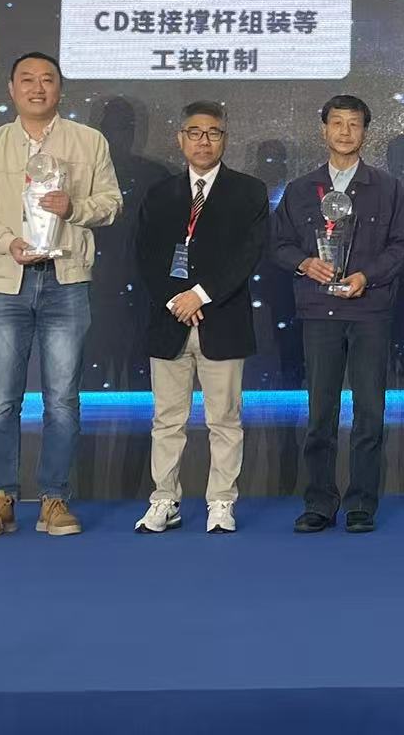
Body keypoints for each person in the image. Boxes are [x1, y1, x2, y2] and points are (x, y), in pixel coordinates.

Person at [0, 51, 121, 539]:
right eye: (26, 79)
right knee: (1, 402)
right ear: (11, 89)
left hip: (65, 281)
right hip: (6, 282)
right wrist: (8, 242)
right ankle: (0, 499)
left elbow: (111, 204)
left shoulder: (88, 141)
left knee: (62, 401)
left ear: (60, 89)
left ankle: (55, 499)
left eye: (47, 79)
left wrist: (75, 207)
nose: (37, 87)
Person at [271, 95, 404, 534]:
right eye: (337, 123)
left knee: (369, 413)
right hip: (319, 311)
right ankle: (319, 502)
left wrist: (367, 276)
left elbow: (403, 245)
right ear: (324, 130)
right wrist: (304, 263)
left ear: (365, 132)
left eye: (354, 124)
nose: (345, 132)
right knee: (320, 413)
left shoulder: (388, 188)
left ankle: (361, 504)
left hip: (369, 310)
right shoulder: (301, 189)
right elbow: (278, 244)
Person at [133, 102, 269, 535]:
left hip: (222, 320)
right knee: (167, 420)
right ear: (181, 139)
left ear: (224, 139)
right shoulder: (160, 193)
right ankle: (164, 500)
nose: (203, 141)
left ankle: (221, 502)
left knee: (224, 420)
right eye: (195, 132)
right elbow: (145, 254)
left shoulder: (248, 191)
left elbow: (247, 254)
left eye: (213, 133)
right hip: (169, 320)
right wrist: (177, 300)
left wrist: (200, 295)